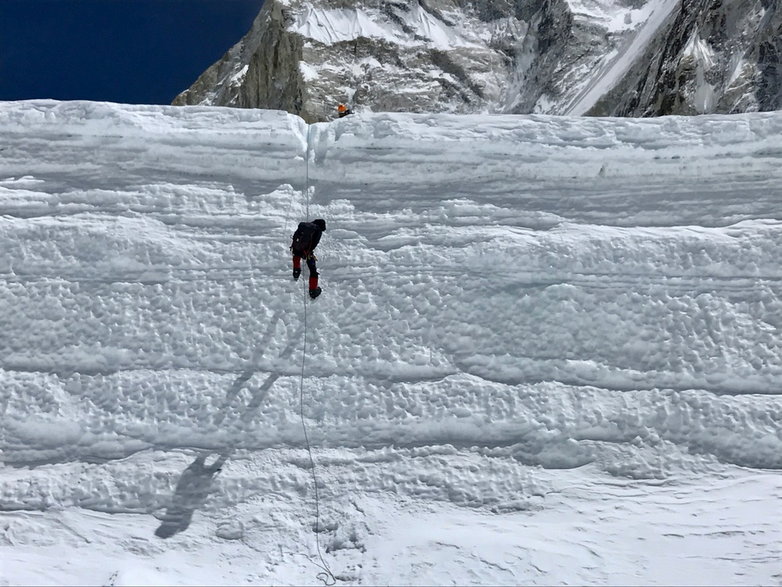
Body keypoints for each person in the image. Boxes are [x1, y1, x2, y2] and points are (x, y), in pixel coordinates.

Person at [290, 218, 326, 299]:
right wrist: (309, 252)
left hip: (296, 247)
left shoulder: (304, 226)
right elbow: (314, 244)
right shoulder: (318, 230)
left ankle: (296, 272)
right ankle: (313, 290)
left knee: (296, 254)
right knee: (313, 269)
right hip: (306, 251)